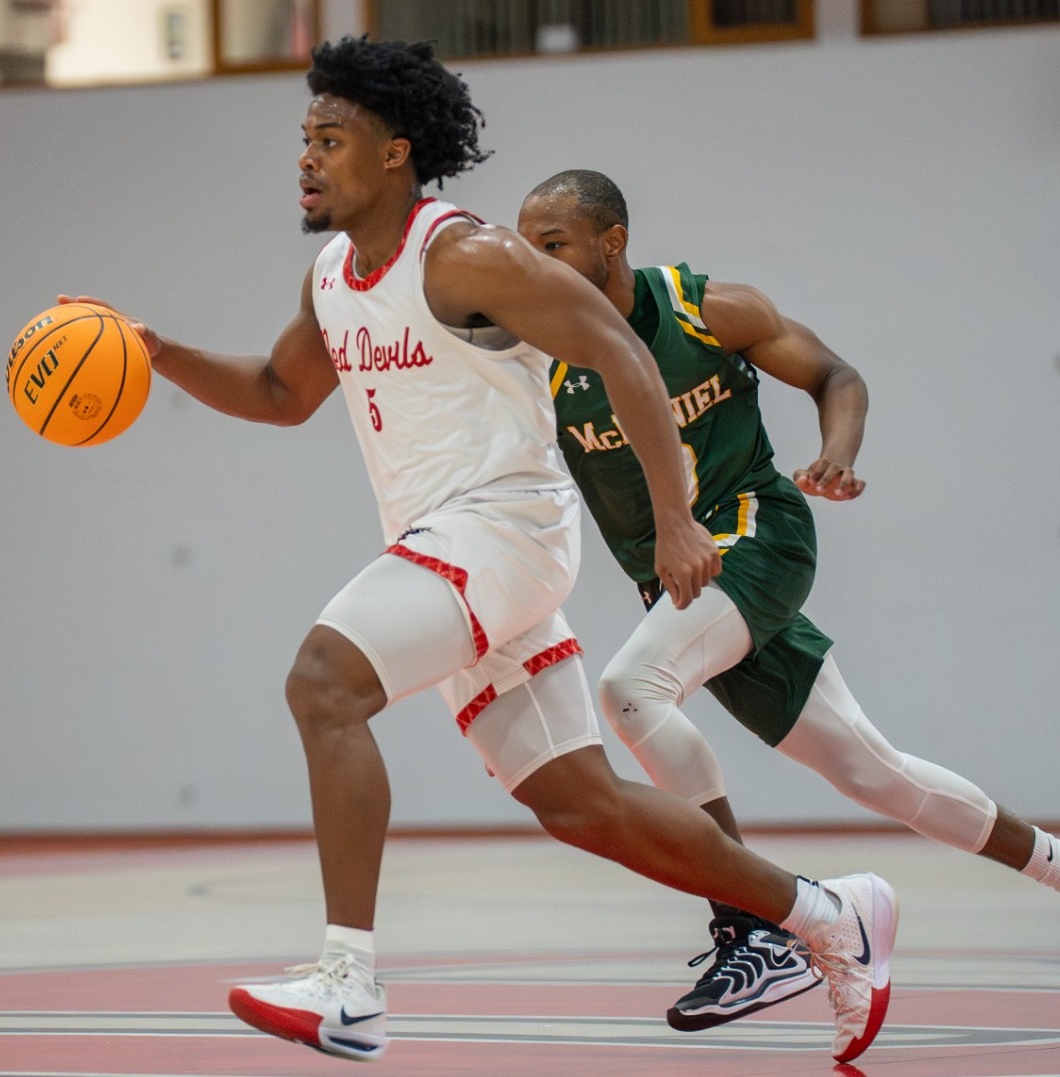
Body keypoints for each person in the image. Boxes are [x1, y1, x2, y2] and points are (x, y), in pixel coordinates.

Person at [65, 38, 897, 1065]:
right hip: (453, 548)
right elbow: (279, 396)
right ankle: (825, 912)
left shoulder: (460, 254)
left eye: (330, 140)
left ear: (394, 155)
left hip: (501, 528)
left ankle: (346, 983)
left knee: (323, 684)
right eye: (303, 140)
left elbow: (621, 350)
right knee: (581, 807)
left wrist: (675, 516)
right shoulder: (331, 276)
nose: (307, 159)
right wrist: (155, 354)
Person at [516, 168, 1060, 1032]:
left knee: (631, 690)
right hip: (684, 584)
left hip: (757, 534)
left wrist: (837, 451)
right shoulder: (541, 354)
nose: (534, 263)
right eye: (526, 249)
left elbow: (834, 374)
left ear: (611, 243)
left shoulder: (707, 310)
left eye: (552, 245)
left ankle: (749, 921)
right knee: (871, 771)